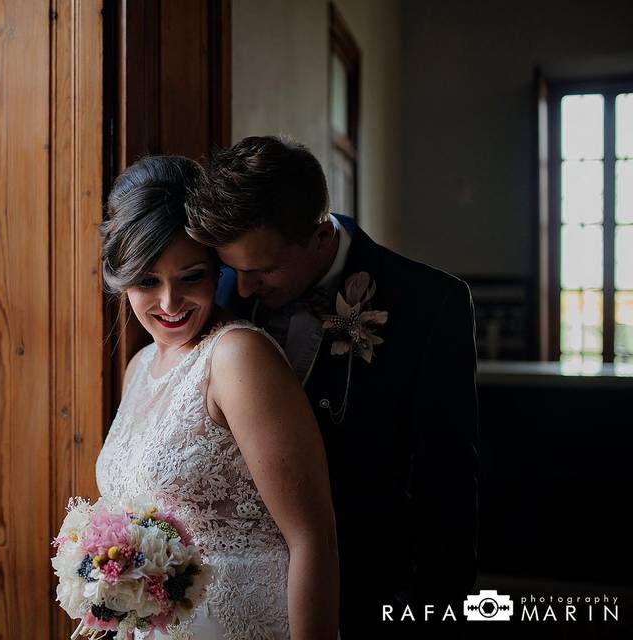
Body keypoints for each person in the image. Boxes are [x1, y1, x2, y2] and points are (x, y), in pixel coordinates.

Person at [187, 136, 478, 639]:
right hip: (233, 596)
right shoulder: (221, 290)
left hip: (366, 590)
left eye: (263, 271)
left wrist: (440, 614)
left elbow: (446, 486)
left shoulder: (432, 305)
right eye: (235, 271)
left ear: (321, 238)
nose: (245, 288)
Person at [95, 155, 339, 639]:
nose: (169, 304)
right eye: (147, 281)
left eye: (191, 277)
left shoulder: (236, 357)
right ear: (121, 279)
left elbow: (312, 538)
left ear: (216, 270)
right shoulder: (139, 367)